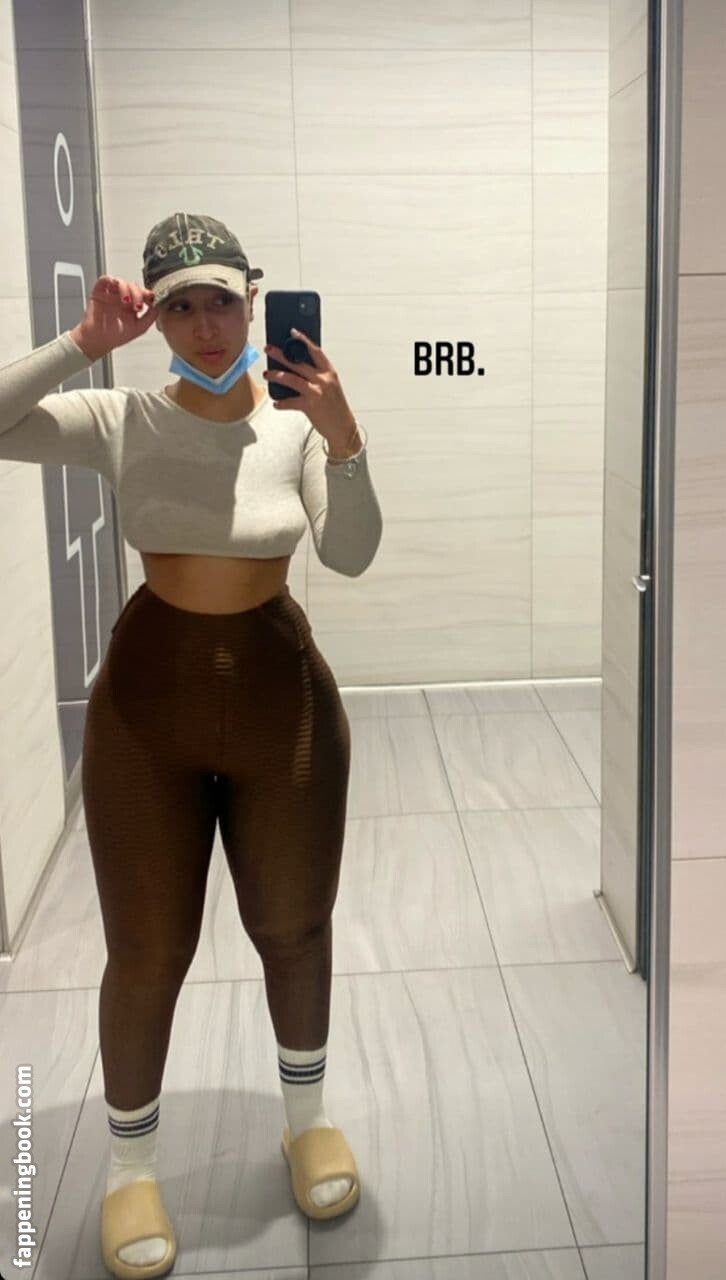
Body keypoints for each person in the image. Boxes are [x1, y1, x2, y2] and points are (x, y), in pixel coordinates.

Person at [0, 213, 382, 1279]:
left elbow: (350, 554)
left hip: (279, 697)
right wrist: (83, 343)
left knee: (294, 925)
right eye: (180, 307)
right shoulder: (122, 416)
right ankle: (130, 1169)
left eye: (220, 301)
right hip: (145, 711)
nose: (205, 326)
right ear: (155, 318)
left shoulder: (297, 426)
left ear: (253, 301)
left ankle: (305, 1120)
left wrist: (344, 434)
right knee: (147, 947)